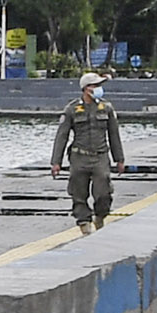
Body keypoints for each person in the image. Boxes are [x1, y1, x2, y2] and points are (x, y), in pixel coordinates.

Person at [51, 71, 127, 231]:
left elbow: (114, 134)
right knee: (78, 193)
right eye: (96, 85)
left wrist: (119, 159)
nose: (99, 88)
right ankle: (84, 224)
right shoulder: (72, 109)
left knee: (103, 192)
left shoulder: (106, 108)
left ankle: (100, 216)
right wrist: (56, 162)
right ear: (86, 88)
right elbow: (62, 136)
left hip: (100, 156)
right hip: (79, 157)